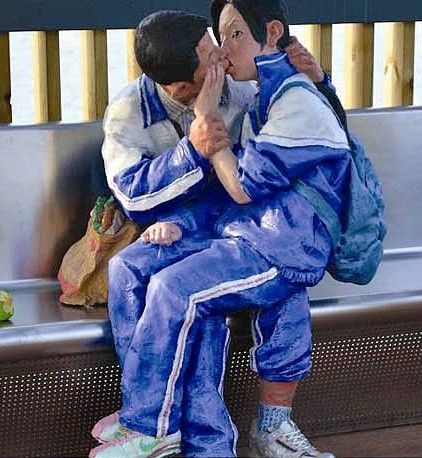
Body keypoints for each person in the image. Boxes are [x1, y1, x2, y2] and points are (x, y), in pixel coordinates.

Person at [90, 7, 348, 458]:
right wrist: (193, 150)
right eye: (211, 57)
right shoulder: (129, 112)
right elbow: (133, 194)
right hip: (185, 224)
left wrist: (321, 81)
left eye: (224, 42)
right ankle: (155, 414)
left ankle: (201, 437)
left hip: (247, 226)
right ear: (179, 88)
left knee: (200, 296)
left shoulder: (243, 84)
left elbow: (301, 131)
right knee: (128, 271)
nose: (222, 59)